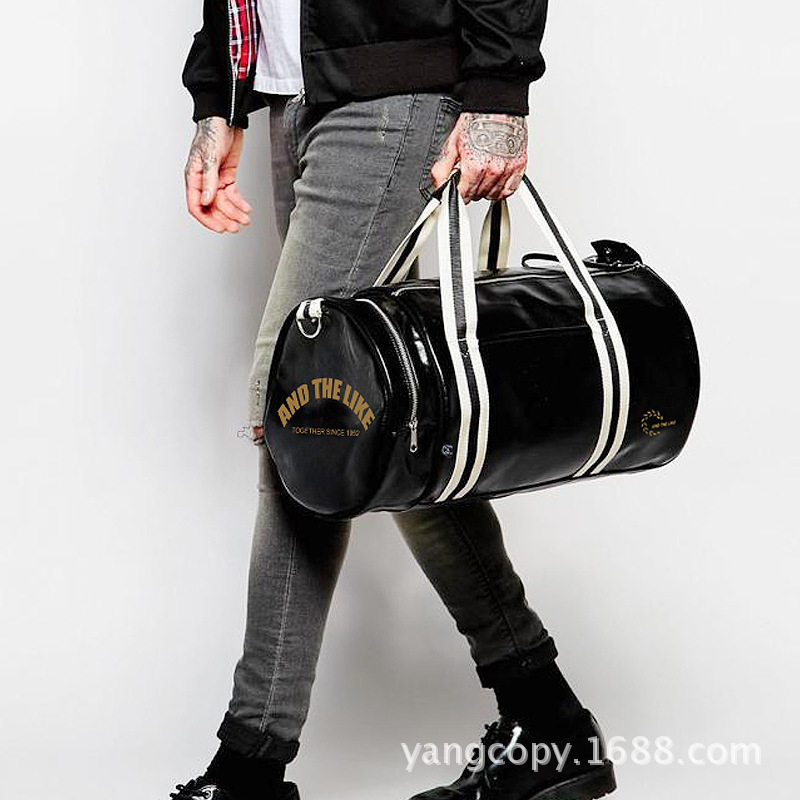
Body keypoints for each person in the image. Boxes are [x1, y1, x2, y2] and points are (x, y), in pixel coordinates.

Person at [173, 1, 616, 799]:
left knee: (308, 420)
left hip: (389, 96)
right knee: (392, 428)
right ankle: (545, 718)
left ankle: (250, 766)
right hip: (297, 100)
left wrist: (499, 90)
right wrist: (220, 98)